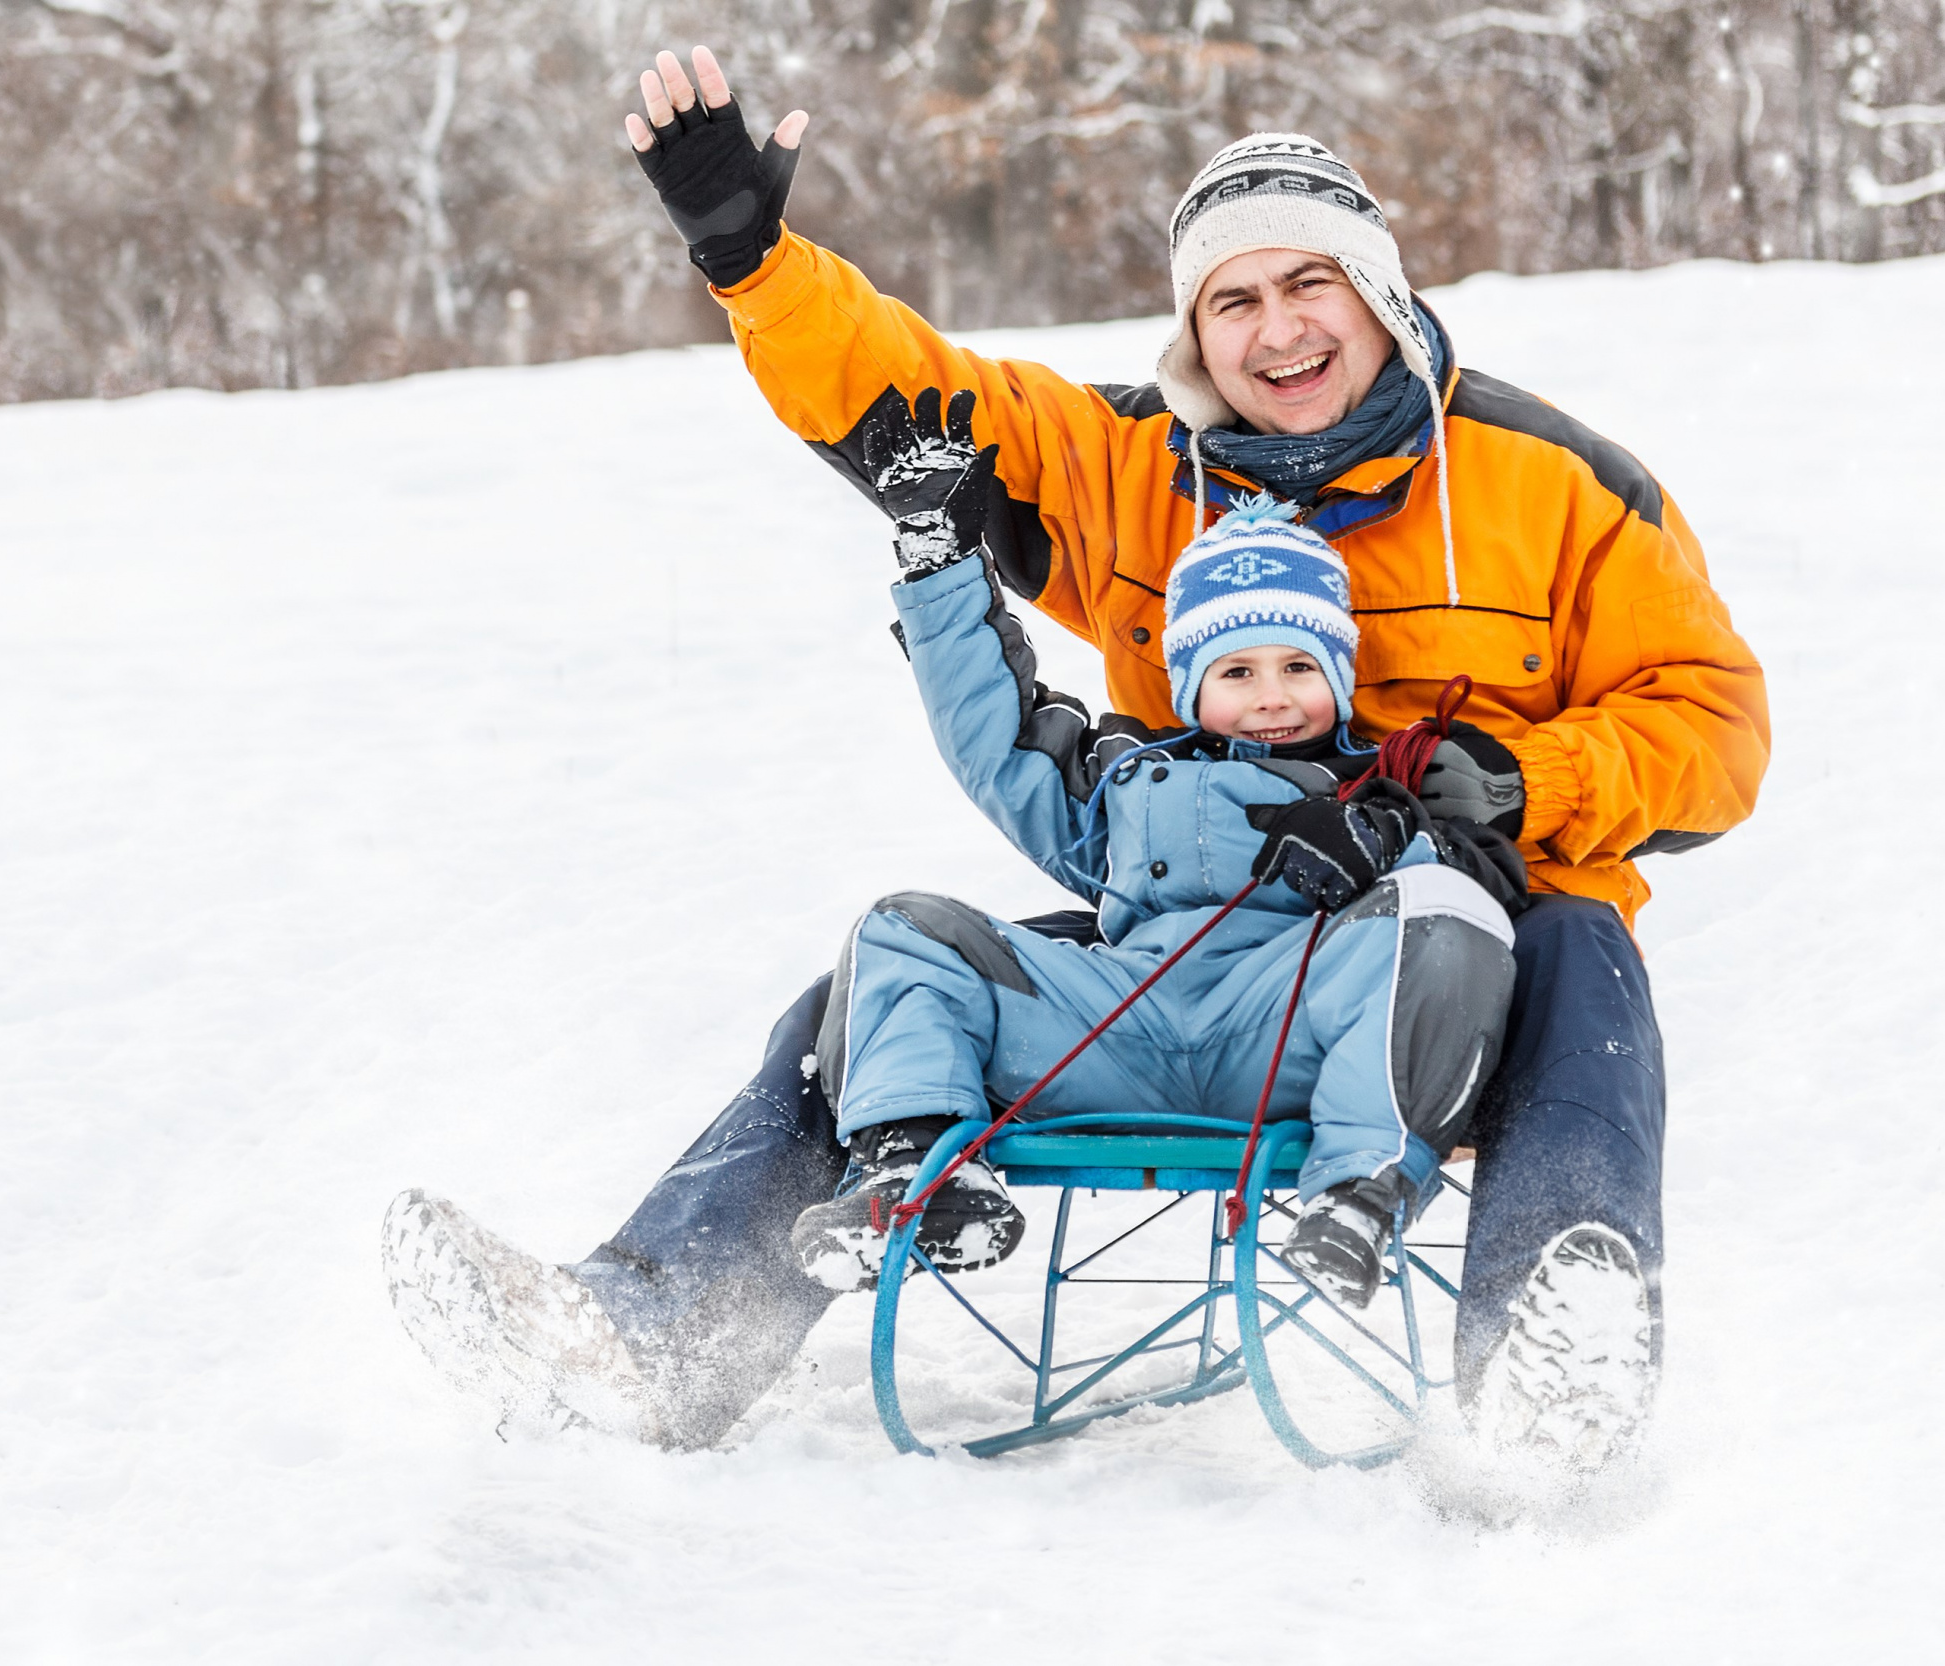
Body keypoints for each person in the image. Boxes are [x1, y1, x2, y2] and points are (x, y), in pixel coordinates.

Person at [382, 49, 1770, 1468]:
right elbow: (912, 408)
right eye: (1234, 299)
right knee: (873, 995)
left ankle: (1550, 1358)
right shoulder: (1133, 467)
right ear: (1195, 331)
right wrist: (752, 259)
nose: (1278, 329)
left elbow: (1716, 727)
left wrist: (1530, 782)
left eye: (1311, 283)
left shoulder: (1558, 482)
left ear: (1381, 290)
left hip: (1464, 949)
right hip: (1204, 928)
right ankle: (660, 1334)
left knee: (1588, 948)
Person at [788, 474, 1524, 1310]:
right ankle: (917, 1181)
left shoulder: (1379, 788)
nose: (1272, 695)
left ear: (1340, 675)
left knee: (1444, 908)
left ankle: (1359, 1198)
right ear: (1189, 688)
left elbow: (1473, 900)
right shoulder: (1129, 781)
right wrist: (941, 569)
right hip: (1115, 1032)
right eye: (1237, 671)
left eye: (1298, 666)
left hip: (1286, 1040)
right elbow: (1001, 742)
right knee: (904, 929)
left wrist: (1389, 840)